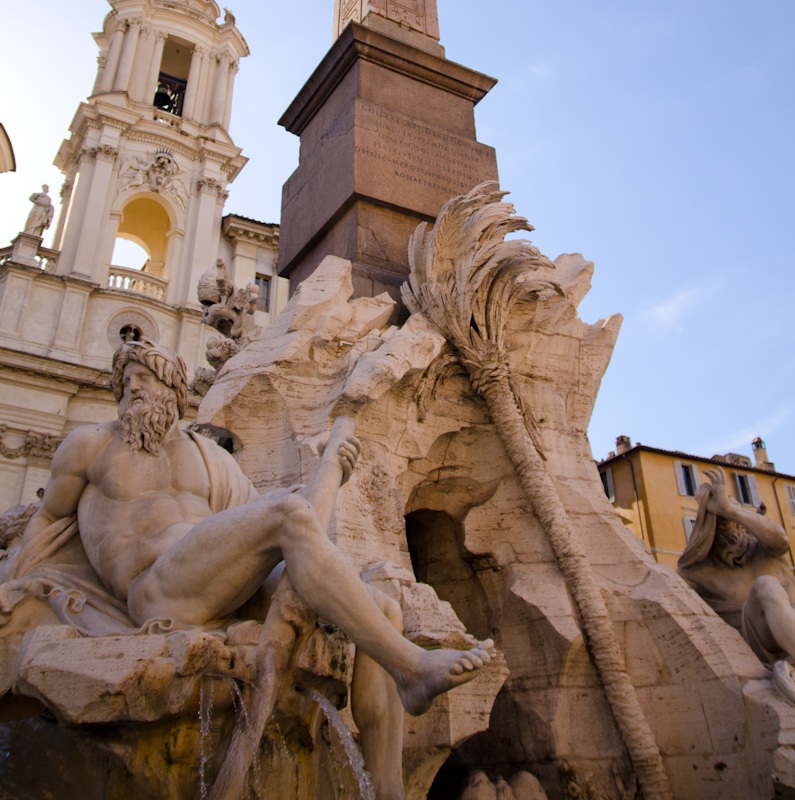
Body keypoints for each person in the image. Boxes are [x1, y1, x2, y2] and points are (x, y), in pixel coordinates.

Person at [7, 339, 492, 799]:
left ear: (175, 391)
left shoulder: (209, 458)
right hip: (156, 587)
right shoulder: (91, 446)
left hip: (217, 581)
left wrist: (331, 469)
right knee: (289, 514)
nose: (133, 387)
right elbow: (49, 520)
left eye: (146, 377)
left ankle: (388, 789)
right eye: (127, 380)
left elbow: (299, 532)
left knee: (382, 607)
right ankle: (410, 668)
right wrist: (16, 584)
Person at [678, 465, 795, 700]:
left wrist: (729, 509)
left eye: (734, 518)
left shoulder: (766, 549)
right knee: (766, 586)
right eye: (722, 521)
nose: (734, 528)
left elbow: (781, 540)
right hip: (764, 649)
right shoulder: (698, 574)